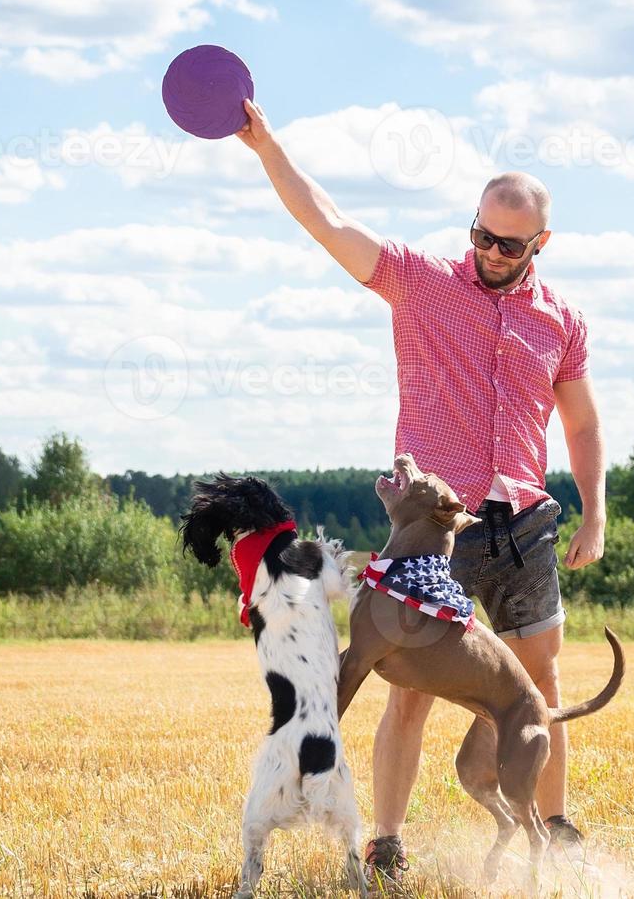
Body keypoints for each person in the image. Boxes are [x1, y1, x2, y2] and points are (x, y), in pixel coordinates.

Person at [233, 97, 607, 883]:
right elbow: (330, 225)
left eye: (510, 244)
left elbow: (580, 425)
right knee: (409, 693)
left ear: (541, 243)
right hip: (438, 533)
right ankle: (389, 842)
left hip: (527, 528)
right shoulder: (421, 283)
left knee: (540, 684)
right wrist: (268, 148)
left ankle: (557, 828)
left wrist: (594, 512)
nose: (491, 251)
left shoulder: (560, 320)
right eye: (481, 233)